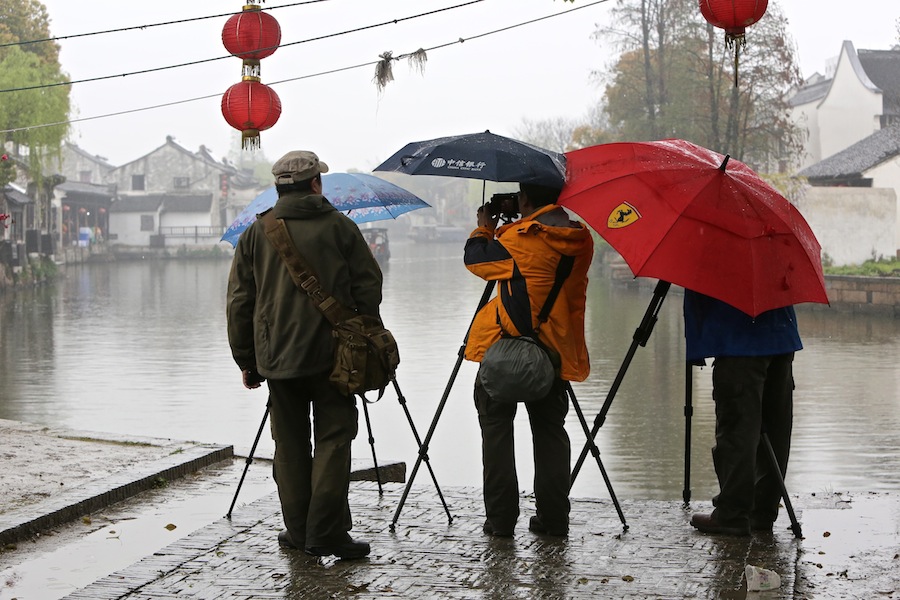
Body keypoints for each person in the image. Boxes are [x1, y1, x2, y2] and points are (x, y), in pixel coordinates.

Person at [226, 150, 383, 559]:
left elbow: (240, 302)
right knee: (334, 439)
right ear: (316, 184)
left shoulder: (256, 233)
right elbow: (368, 287)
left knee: (290, 445)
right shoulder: (341, 227)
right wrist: (364, 334)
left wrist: (247, 359)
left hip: (277, 359)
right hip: (336, 357)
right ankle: (325, 533)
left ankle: (298, 531)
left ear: (279, 188)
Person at [463, 183, 594, 537]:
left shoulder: (516, 240)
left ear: (524, 199)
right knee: (551, 434)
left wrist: (485, 225)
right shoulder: (579, 240)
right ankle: (553, 520)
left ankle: (501, 520)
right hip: (552, 353)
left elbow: (475, 258)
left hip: (504, 351)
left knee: (496, 432)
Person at [683, 290, 803, 536]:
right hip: (781, 334)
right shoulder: (777, 248)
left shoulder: (714, 250)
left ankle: (733, 514)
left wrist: (696, 349)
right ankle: (762, 513)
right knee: (776, 427)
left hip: (738, 339)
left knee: (738, 432)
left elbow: (697, 291)